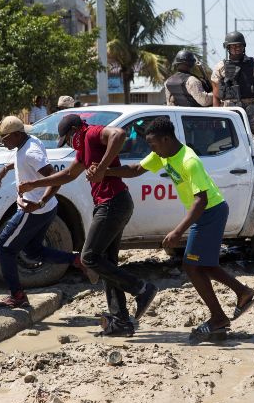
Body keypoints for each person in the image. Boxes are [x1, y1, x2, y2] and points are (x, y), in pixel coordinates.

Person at [103, 117, 254, 340]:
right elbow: (136, 169)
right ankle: (242, 293)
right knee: (205, 265)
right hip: (204, 214)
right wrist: (106, 172)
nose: (151, 149)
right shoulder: (162, 154)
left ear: (166, 139)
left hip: (210, 212)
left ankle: (219, 317)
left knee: (192, 266)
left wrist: (178, 231)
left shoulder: (189, 160)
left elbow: (201, 200)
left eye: (153, 144)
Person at [18, 114, 158, 337]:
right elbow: (67, 175)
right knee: (106, 264)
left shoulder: (91, 133)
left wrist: (102, 167)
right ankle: (121, 322)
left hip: (112, 203)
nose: (69, 144)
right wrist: (35, 185)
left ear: (75, 130)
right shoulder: (83, 148)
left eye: (68, 139)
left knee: (89, 258)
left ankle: (141, 288)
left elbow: (119, 134)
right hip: (112, 204)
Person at [0, 116, 95, 309]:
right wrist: (6, 168)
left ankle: (17, 295)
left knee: (3, 247)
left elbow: (55, 179)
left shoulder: (31, 152)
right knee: (33, 251)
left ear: (16, 135)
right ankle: (76, 260)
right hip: (46, 209)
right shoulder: (29, 142)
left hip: (33, 210)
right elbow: (22, 160)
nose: (2, 142)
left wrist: (39, 203)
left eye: (4, 138)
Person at [211, 31, 254, 156]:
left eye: (239, 45)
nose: (237, 48)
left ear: (244, 46)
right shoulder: (220, 67)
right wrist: (216, 116)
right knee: (227, 142)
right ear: (228, 47)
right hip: (228, 111)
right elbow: (216, 95)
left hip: (251, 110)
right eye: (233, 46)